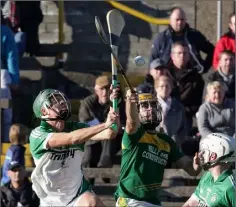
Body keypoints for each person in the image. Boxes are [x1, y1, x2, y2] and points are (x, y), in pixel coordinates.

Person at [29, 88, 120, 206]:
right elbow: (72, 138)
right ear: (43, 111)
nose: (61, 102)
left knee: (92, 202)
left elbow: (109, 133)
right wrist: (105, 124)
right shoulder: (38, 134)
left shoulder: (76, 127)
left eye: (61, 99)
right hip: (50, 200)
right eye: (53, 101)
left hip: (77, 194)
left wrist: (114, 104)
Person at [114, 90, 202, 207]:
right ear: (137, 110)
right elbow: (132, 122)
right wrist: (130, 101)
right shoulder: (134, 135)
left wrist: (197, 164)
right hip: (130, 200)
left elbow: (192, 170)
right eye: (145, 106)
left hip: (153, 202)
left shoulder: (166, 141)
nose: (150, 109)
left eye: (154, 105)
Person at [78, 75, 126, 184]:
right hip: (93, 138)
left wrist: (115, 105)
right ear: (96, 90)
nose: (104, 93)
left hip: (113, 139)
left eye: (107, 89)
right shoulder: (87, 103)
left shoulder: (118, 103)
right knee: (89, 155)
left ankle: (105, 167)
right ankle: (88, 183)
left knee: (110, 135)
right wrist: (105, 125)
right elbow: (86, 125)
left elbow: (122, 124)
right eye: (101, 89)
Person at [149, 7, 214, 73]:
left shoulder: (195, 35)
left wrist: (205, 67)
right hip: (168, 77)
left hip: (192, 76)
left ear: (185, 20)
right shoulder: (162, 38)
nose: (179, 22)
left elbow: (212, 51)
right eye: (177, 20)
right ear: (171, 21)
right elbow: (153, 60)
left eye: (182, 20)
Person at [182, 133, 236, 207]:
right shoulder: (207, 176)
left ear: (213, 156)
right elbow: (190, 204)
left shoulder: (230, 188)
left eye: (204, 151)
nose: (200, 155)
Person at [169, 41, 204, 131]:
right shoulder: (165, 74)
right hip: (165, 115)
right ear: (172, 56)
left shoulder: (196, 77)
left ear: (189, 56)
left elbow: (197, 103)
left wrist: (184, 111)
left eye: (185, 53)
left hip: (185, 118)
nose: (182, 56)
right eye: (179, 53)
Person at [155, 75, 187, 147]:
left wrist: (175, 141)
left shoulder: (179, 107)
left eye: (167, 86)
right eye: (162, 86)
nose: (165, 88)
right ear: (156, 88)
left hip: (173, 145)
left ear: (171, 88)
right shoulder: (149, 105)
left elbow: (183, 128)